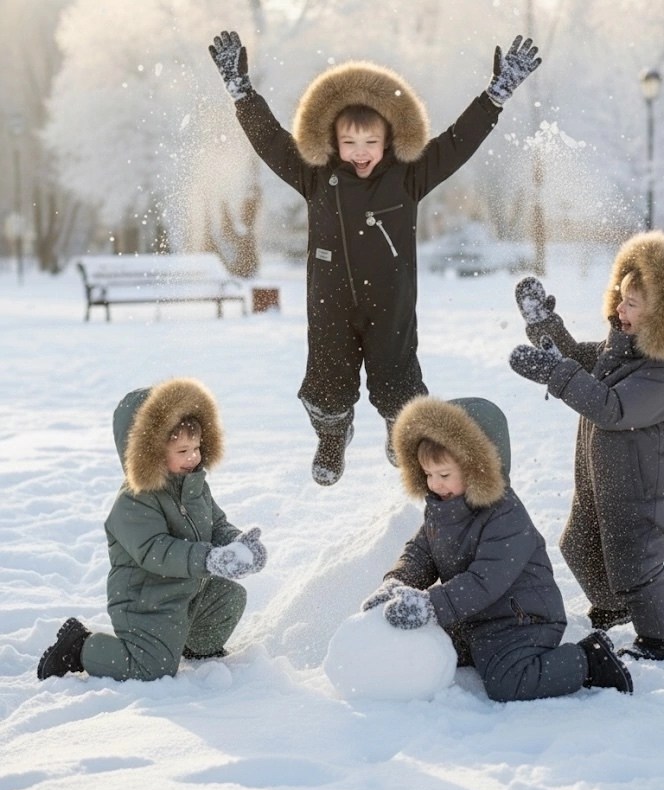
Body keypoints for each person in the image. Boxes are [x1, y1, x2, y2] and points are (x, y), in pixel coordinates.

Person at [209, 30, 542, 485]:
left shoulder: (409, 176)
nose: (360, 153)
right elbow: (271, 141)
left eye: (370, 142)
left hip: (391, 301)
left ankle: (397, 426)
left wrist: (495, 97)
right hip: (331, 300)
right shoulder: (314, 175)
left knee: (397, 374)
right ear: (332, 141)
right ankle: (332, 433)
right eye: (349, 143)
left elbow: (458, 142)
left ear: (390, 139)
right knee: (328, 374)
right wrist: (242, 94)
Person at [509, 230, 664, 660]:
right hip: (602, 480)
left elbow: (611, 408)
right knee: (578, 545)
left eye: (633, 304)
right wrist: (547, 331)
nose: (620, 309)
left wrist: (555, 374)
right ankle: (614, 608)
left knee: (637, 564)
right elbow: (577, 358)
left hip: (645, 488)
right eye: (620, 298)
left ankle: (663, 640)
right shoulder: (619, 348)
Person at [361, 395, 633, 702]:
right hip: (473, 616)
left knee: (508, 682)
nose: (435, 484)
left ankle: (589, 661)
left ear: (477, 468)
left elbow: (485, 580)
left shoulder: (506, 516)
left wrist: (430, 606)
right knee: (424, 642)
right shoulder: (443, 509)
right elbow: (421, 552)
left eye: (445, 475)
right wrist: (396, 582)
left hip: (520, 619)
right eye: (428, 475)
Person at [37, 377, 267, 682]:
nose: (193, 457)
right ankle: (80, 647)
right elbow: (156, 550)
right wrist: (209, 560)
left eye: (197, 447)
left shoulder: (193, 484)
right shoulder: (134, 501)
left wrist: (238, 545)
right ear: (151, 452)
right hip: (148, 599)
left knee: (229, 596)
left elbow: (216, 523)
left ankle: (192, 645)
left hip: (189, 589)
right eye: (183, 450)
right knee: (153, 669)